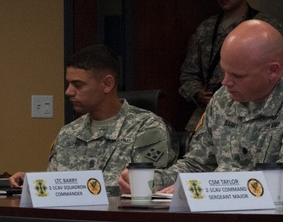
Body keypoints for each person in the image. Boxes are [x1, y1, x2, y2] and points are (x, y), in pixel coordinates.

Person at [122, 19, 283, 222]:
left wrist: (211, 190)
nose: (225, 83)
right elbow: (198, 163)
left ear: (273, 71)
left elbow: (276, 184)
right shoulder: (223, 100)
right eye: (225, 72)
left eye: (237, 76)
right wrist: (150, 182)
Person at [10, 45, 176, 193]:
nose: (68, 92)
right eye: (68, 84)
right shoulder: (69, 132)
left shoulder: (147, 128)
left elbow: (143, 188)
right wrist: (33, 183)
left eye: (78, 85)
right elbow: (57, 187)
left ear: (107, 84)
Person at [178, 0, 283, 130]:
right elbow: (188, 73)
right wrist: (196, 93)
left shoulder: (267, 27)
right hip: (210, 110)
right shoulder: (206, 28)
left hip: (256, 114)